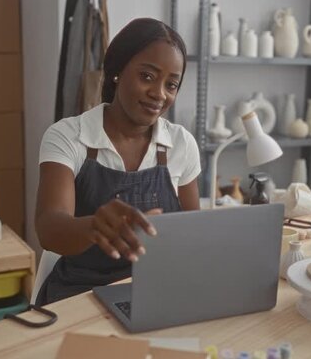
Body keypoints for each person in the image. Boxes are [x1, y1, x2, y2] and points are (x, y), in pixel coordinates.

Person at [35, 18, 201, 305]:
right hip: (78, 295)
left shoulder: (181, 144)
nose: (159, 94)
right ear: (117, 71)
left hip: (154, 292)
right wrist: (94, 226)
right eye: (147, 76)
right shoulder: (68, 136)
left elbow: (193, 235)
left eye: (171, 84)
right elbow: (50, 228)